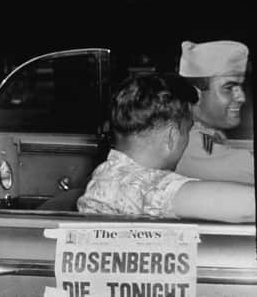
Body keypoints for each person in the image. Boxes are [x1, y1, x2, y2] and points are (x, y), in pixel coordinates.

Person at [77, 74, 255, 223]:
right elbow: (248, 206)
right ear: (172, 137)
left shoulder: (108, 172)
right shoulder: (139, 185)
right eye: (187, 131)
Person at [175, 40, 254, 184]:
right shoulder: (191, 144)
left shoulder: (206, 132)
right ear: (196, 94)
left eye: (240, 87)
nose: (242, 98)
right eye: (229, 88)